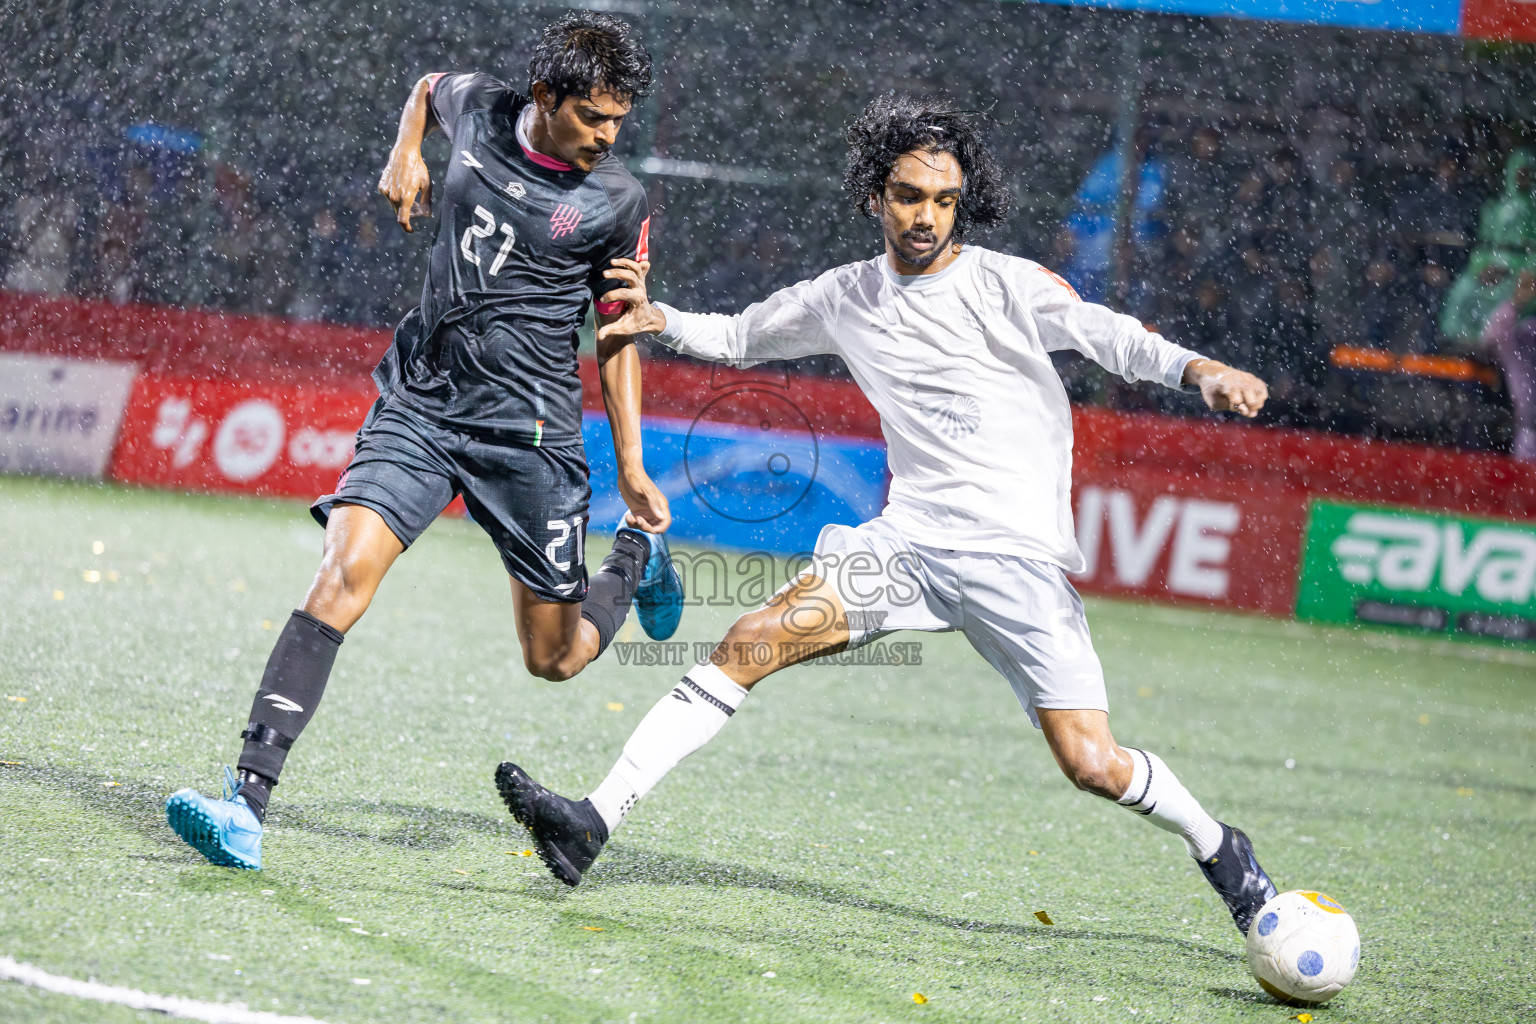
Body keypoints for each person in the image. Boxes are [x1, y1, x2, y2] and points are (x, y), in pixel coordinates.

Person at [497, 94, 1280, 938]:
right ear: (876, 196)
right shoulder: (847, 295)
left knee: (1091, 762)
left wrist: (1200, 369)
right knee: (747, 642)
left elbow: (1111, 336)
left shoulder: (1004, 284)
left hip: (1014, 560)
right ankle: (593, 822)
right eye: (910, 195)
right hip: (907, 546)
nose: (927, 216)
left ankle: (1221, 848)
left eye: (944, 200)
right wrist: (662, 321)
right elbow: (743, 334)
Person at [164, 11, 684, 870]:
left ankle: (636, 555)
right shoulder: (481, 107)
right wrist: (404, 149)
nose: (607, 135)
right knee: (342, 571)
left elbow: (619, 327)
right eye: (593, 116)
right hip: (424, 401)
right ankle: (245, 806)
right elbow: (426, 91)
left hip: (531, 436)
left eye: (619, 120)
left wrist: (629, 463)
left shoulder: (617, 199)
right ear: (546, 95)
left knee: (553, 661)